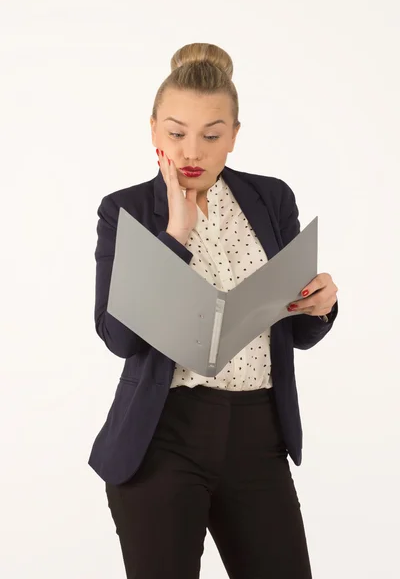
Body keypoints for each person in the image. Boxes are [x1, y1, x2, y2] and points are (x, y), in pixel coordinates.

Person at [88, 42, 339, 579]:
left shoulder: (271, 200)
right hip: (163, 437)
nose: (191, 152)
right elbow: (118, 338)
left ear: (234, 136)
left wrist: (320, 306)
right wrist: (174, 237)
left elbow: (293, 333)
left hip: (257, 434)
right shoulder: (126, 210)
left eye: (212, 135)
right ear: (154, 130)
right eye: (176, 133)